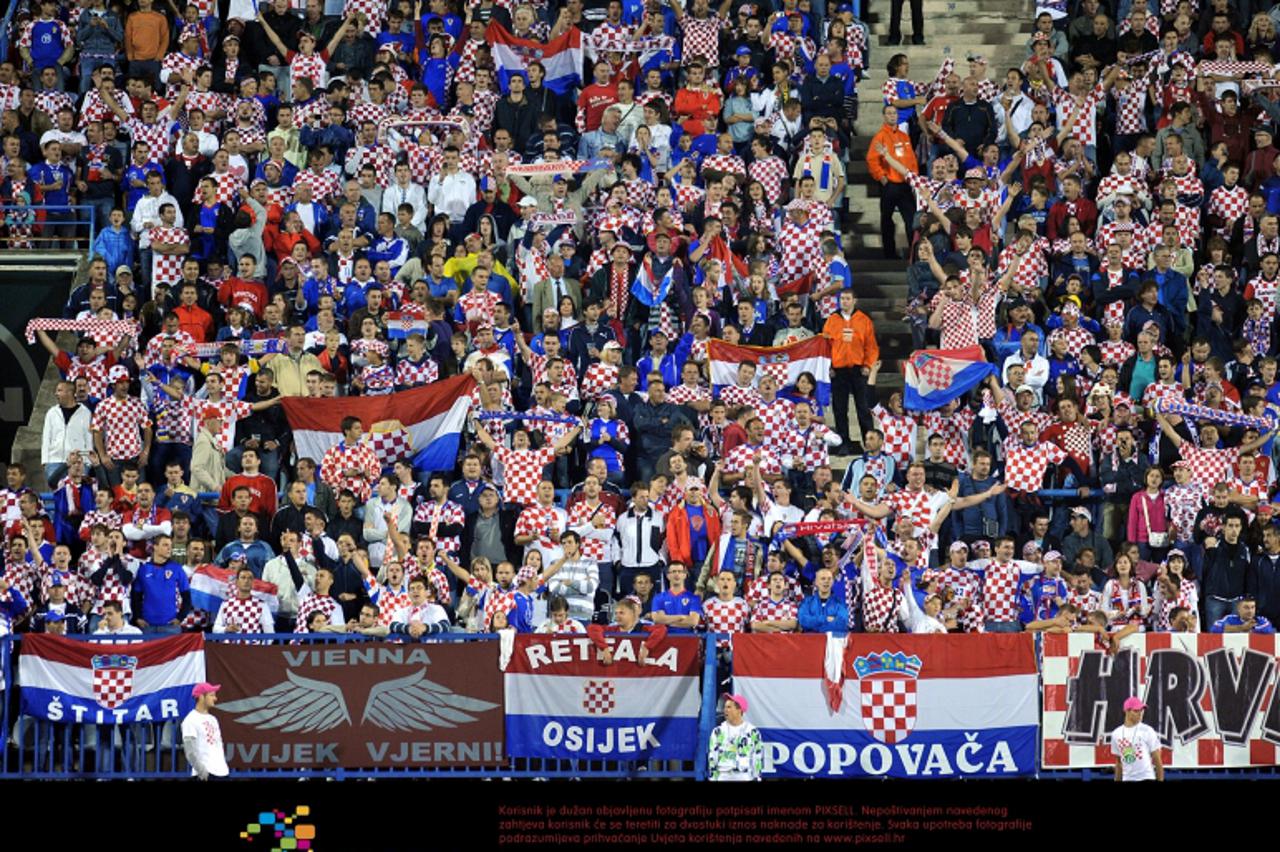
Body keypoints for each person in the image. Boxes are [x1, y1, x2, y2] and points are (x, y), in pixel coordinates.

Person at [708, 693, 763, 781]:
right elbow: (712, 756)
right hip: (723, 775)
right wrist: (713, 778)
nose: (725, 710)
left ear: (739, 710)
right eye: (725, 707)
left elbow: (757, 756)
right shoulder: (718, 731)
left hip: (744, 775)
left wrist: (757, 777)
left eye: (729, 707)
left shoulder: (752, 731)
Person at [181, 682, 230, 781]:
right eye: (211, 695)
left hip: (222, 772)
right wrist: (202, 772)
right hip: (206, 774)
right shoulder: (190, 720)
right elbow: (190, 751)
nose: (215, 698)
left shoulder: (213, 719)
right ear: (201, 697)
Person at [1111, 696, 1163, 782]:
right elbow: (1118, 762)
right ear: (1127, 711)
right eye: (1136, 711)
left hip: (1146, 777)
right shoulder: (1116, 734)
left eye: (1141, 710)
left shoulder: (1147, 730)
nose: (1140, 713)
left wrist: (1160, 779)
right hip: (1127, 778)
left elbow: (1157, 758)